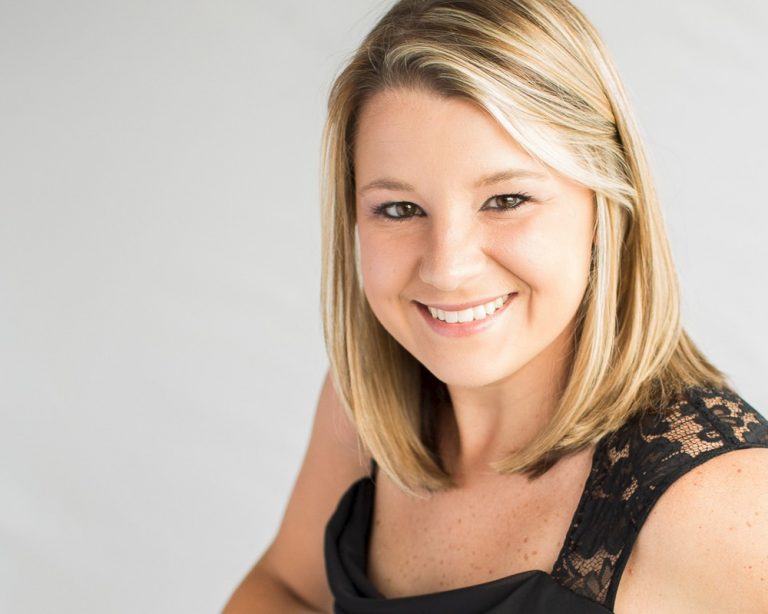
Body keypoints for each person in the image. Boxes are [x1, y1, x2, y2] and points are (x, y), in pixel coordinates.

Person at [222, 1, 768, 612]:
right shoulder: (366, 405)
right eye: (399, 210)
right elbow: (286, 589)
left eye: (506, 199)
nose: (448, 269)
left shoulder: (728, 506)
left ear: (604, 208)